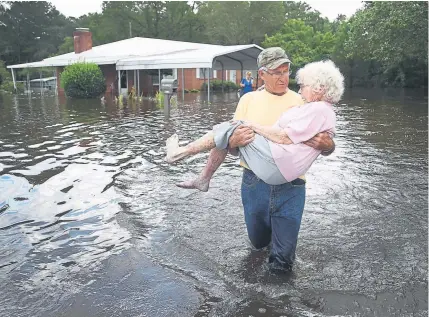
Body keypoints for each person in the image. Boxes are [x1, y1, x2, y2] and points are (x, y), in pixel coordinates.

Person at [165, 60, 343, 193]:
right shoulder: (250, 98)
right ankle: (202, 176)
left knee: (235, 126)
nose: (298, 89)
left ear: (319, 88)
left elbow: (289, 138)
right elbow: (230, 143)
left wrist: (329, 146)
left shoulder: (312, 106)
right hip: (260, 171)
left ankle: (185, 156)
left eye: (285, 72)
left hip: (284, 173)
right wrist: (236, 137)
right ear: (262, 75)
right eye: (276, 73)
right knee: (230, 131)